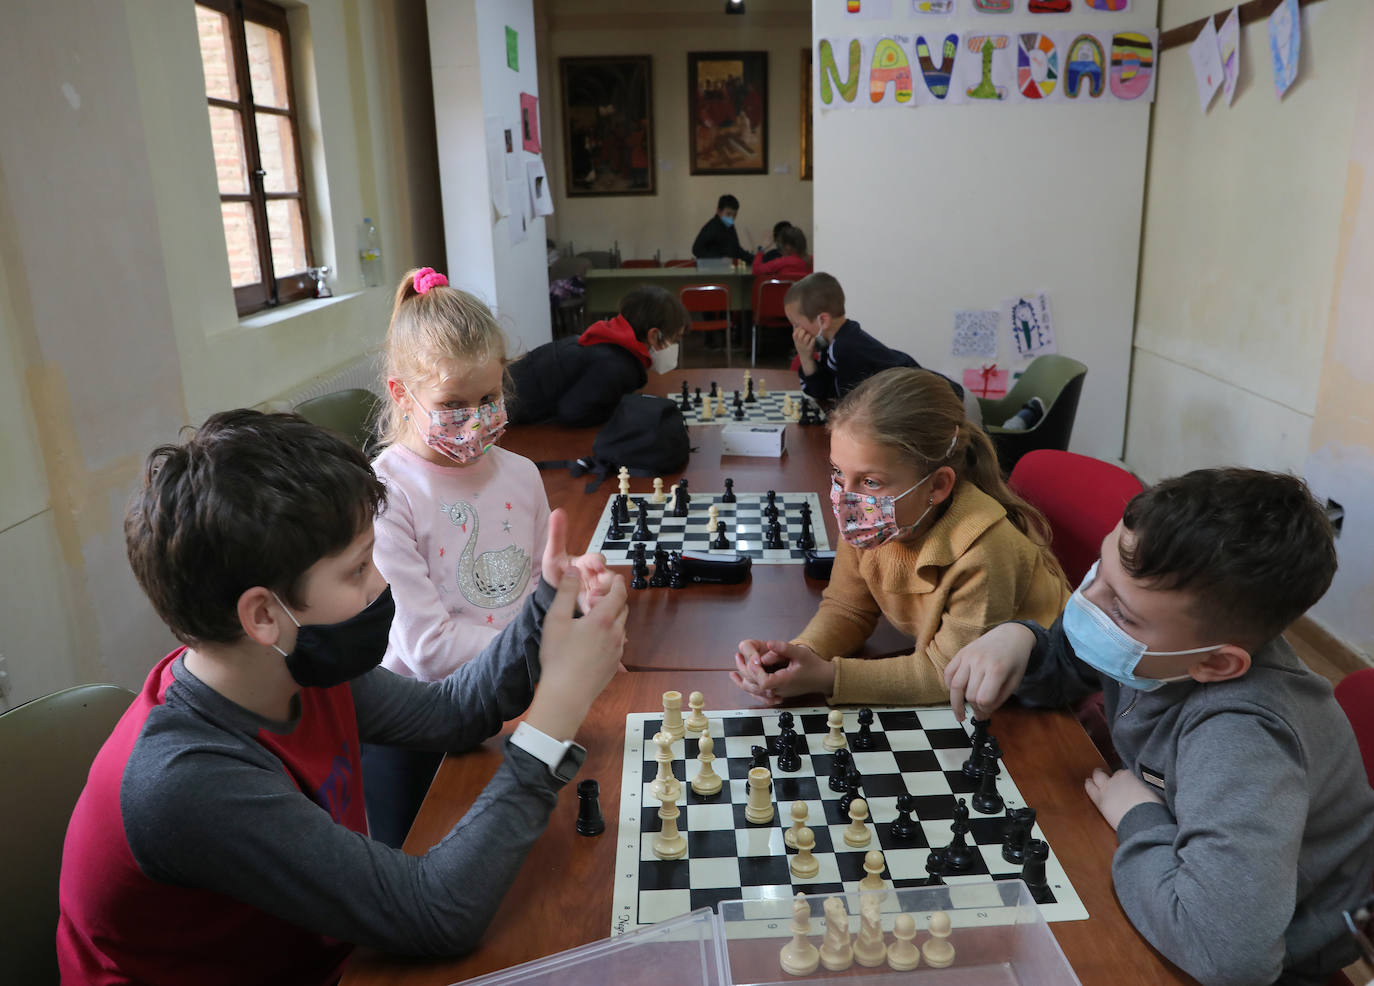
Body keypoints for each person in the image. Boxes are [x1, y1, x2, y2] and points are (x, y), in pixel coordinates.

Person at [58, 409, 628, 985]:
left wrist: (548, 602)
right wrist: (555, 715)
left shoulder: (289, 666)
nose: (380, 584)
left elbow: (452, 714)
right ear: (263, 614)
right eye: (357, 569)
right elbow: (436, 913)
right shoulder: (186, 780)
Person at [943, 468, 1374, 986]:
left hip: (1269, 954)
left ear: (1215, 665)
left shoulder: (1241, 743)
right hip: (1179, 865)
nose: (1087, 604)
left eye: (1120, 612)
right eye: (1098, 572)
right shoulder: (1158, 647)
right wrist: (1022, 640)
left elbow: (1229, 957)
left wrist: (1141, 820)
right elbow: (1070, 658)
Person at [730, 367, 1069, 706]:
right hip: (974, 684)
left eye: (871, 482)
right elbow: (848, 608)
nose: (846, 498)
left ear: (937, 486)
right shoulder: (871, 520)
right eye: (838, 473)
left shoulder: (984, 550)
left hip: (1038, 696)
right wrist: (800, 654)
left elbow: (946, 674)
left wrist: (829, 677)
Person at [365, 266, 551, 846]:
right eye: (452, 404)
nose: (475, 421)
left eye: (489, 398)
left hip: (511, 710)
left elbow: (547, 593)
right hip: (418, 734)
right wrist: (550, 654)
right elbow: (428, 650)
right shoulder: (386, 493)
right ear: (402, 394)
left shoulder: (520, 474)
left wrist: (580, 609)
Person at [508, 284, 687, 427]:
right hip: (508, 415)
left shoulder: (609, 341)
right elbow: (573, 413)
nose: (675, 346)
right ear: (654, 335)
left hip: (509, 396)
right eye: (675, 339)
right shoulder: (616, 365)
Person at [787, 271, 963, 407]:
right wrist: (806, 357)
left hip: (949, 403)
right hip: (939, 400)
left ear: (822, 320)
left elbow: (849, 410)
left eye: (796, 324)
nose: (795, 332)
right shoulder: (836, 343)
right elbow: (824, 392)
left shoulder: (847, 348)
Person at [691, 193, 753, 263]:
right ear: (719, 211)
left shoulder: (730, 226)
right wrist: (719, 259)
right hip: (710, 271)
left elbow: (736, 249)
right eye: (728, 214)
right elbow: (696, 249)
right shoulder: (712, 227)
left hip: (726, 268)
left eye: (734, 215)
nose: (732, 218)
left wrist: (753, 259)